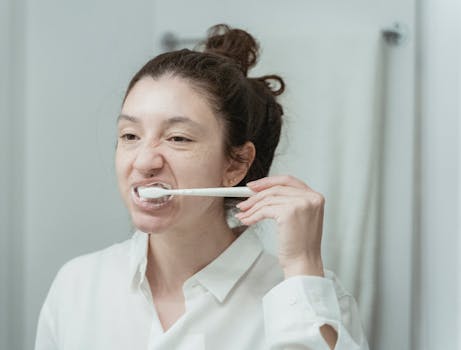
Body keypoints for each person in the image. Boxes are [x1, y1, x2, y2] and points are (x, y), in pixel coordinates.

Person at [34, 24, 369, 350]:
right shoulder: (77, 285)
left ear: (235, 164)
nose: (143, 161)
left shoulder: (313, 301)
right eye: (130, 136)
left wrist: (301, 263)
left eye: (178, 138)